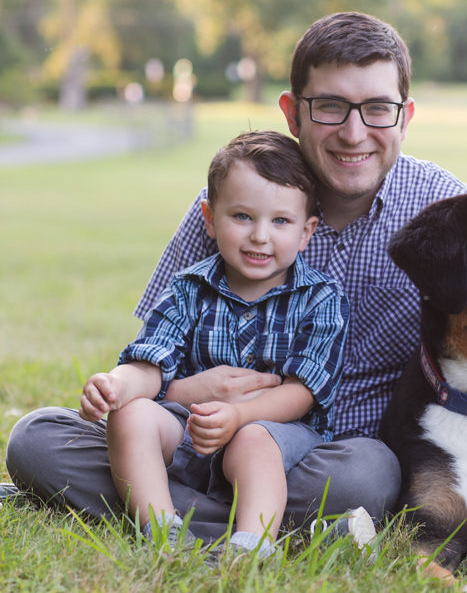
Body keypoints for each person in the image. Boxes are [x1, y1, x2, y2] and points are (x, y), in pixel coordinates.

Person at [6, 11, 467, 541]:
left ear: (405, 116)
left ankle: (170, 516)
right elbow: (155, 351)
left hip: (327, 457)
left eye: (377, 109)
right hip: (192, 436)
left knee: (371, 477)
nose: (354, 133)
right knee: (36, 440)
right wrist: (186, 392)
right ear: (291, 110)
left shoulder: (451, 212)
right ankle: (259, 527)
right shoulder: (233, 203)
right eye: (330, 106)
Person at [77, 130, 345, 557]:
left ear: (307, 231)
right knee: (128, 418)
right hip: (191, 430)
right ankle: (163, 533)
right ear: (209, 216)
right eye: (242, 216)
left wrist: (239, 415)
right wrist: (115, 386)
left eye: (280, 221)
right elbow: (151, 362)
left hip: (276, 439)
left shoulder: (321, 299)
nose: (260, 236)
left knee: (259, 442)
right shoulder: (188, 289)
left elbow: (301, 393)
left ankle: (252, 544)